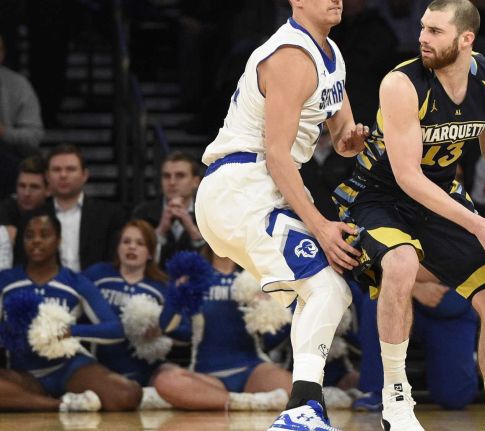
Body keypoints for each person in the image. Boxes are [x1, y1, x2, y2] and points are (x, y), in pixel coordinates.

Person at [332, 1, 485, 430]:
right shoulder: (401, 84)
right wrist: (481, 225)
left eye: (435, 31)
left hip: (439, 194)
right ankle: (397, 401)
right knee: (401, 263)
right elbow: (406, 176)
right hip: (379, 195)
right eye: (423, 27)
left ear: (466, 39)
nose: (423, 37)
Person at [193, 0, 369, 427]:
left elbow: (340, 135)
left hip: (257, 190)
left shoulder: (331, 52)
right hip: (243, 187)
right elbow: (276, 155)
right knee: (328, 287)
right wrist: (321, 226)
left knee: (328, 289)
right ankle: (302, 409)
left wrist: (351, 139)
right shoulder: (291, 57)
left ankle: (304, 407)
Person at [0, 209, 142, 411]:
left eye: (45, 235)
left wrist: (69, 331)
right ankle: (59, 405)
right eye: (30, 236)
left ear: (58, 240)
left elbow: (115, 329)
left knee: (127, 395)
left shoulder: (75, 282)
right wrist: (10, 333)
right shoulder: (6, 280)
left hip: (70, 369)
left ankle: (38, 403)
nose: (37, 241)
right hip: (24, 374)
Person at [152, 247, 291, 411]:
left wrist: (267, 308)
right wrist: (177, 293)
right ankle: (243, 402)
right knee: (165, 382)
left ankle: (222, 403)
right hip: (208, 376)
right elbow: (167, 326)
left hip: (253, 369)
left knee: (295, 389)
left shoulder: (255, 275)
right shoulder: (195, 278)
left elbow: (270, 341)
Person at [353, 269, 479, 412]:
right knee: (377, 300)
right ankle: (376, 389)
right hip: (401, 297)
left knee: (456, 398)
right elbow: (369, 265)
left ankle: (467, 360)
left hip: (452, 305)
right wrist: (414, 287)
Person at [83, 220, 182, 388]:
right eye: (126, 242)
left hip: (146, 370)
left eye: (140, 243)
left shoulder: (161, 286)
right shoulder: (98, 274)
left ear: (151, 252)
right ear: (118, 247)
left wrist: (160, 329)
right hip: (102, 368)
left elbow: (186, 330)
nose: (132, 247)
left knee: (176, 376)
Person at [44, 144, 126, 271]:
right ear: (47, 176)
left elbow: (115, 262)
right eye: (56, 169)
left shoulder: (109, 215)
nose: (63, 175)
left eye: (70, 169)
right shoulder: (33, 217)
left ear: (85, 175)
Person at [133, 151, 205, 267]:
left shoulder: (209, 214)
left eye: (180, 176)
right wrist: (160, 231)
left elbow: (217, 261)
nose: (172, 182)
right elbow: (135, 255)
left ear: (196, 182)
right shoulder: (143, 213)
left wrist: (192, 229)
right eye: (166, 176)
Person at [0, 35, 44, 199]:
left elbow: (34, 136)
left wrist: (4, 132)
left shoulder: (18, 85)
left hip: (8, 158)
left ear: (2, 55)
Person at [0, 155, 48, 266]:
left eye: (34, 187)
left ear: (48, 190)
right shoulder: (4, 210)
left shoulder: (54, 212)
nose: (26, 193)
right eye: (22, 186)